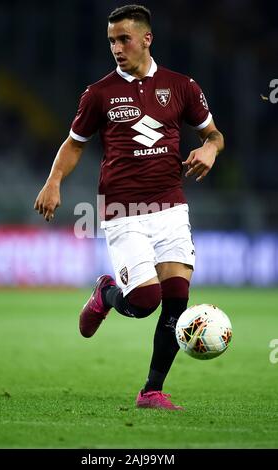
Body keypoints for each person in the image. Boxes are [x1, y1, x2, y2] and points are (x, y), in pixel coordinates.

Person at [34, 4, 224, 411]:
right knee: (144, 301)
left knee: (176, 298)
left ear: (146, 38)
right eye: (111, 41)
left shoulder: (182, 86)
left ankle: (151, 390)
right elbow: (74, 143)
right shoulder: (99, 93)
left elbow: (214, 133)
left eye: (124, 39)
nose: (117, 48)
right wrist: (54, 181)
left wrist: (209, 148)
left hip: (172, 208)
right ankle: (106, 293)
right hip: (124, 210)